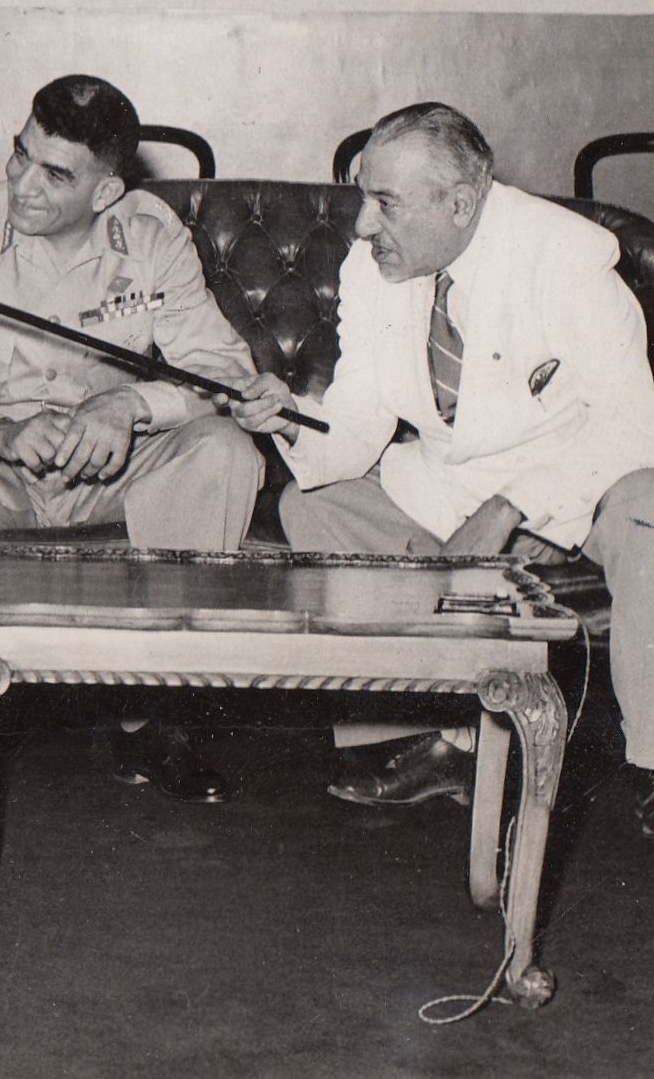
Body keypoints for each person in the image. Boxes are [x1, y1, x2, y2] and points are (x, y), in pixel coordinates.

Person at [232, 102, 654, 831]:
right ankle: (440, 739)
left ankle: (652, 761)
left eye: (385, 203)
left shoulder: (566, 257)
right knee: (311, 505)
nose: (363, 224)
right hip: (448, 483)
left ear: (460, 203)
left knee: (648, 512)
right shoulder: (372, 267)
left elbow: (632, 423)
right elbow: (361, 414)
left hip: (579, 478)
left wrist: (512, 508)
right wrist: (293, 412)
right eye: (363, 197)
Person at [0, 73, 264, 799]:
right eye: (21, 154)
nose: (23, 184)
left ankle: (160, 719)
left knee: (225, 452)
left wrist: (130, 405)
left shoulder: (151, 237)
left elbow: (223, 371)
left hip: (112, 473)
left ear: (107, 191)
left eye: (56, 174)